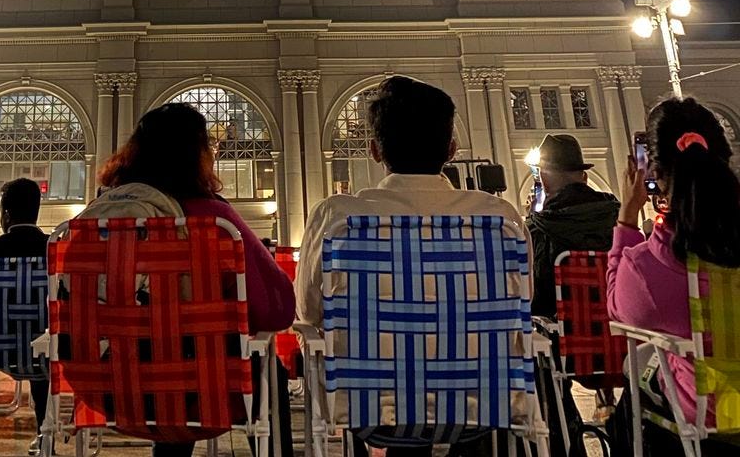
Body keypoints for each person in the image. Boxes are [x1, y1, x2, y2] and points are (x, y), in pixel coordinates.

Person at [296, 75, 531, 457]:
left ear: (374, 150)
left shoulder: (338, 218)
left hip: (372, 408)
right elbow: (520, 302)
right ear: (452, 149)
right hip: (481, 403)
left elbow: (310, 313)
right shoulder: (498, 219)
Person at [90, 103, 296, 457]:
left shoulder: (101, 221)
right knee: (258, 364)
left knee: (159, 347)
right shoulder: (213, 219)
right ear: (198, 156)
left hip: (110, 388)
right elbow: (277, 310)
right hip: (202, 391)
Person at [607, 96, 740, 455]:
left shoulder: (652, 263)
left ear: (654, 176)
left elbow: (621, 311)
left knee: (638, 375)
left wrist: (626, 219)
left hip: (716, 414)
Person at [0, 178, 50, 456]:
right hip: (47, 351)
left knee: (31, 345)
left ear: (5, 214)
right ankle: (45, 430)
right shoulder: (54, 249)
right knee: (42, 347)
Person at [527, 133, 619, 316]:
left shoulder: (539, 229)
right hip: (619, 331)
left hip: (561, 337)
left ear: (544, 181)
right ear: (584, 177)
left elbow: (535, 298)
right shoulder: (617, 218)